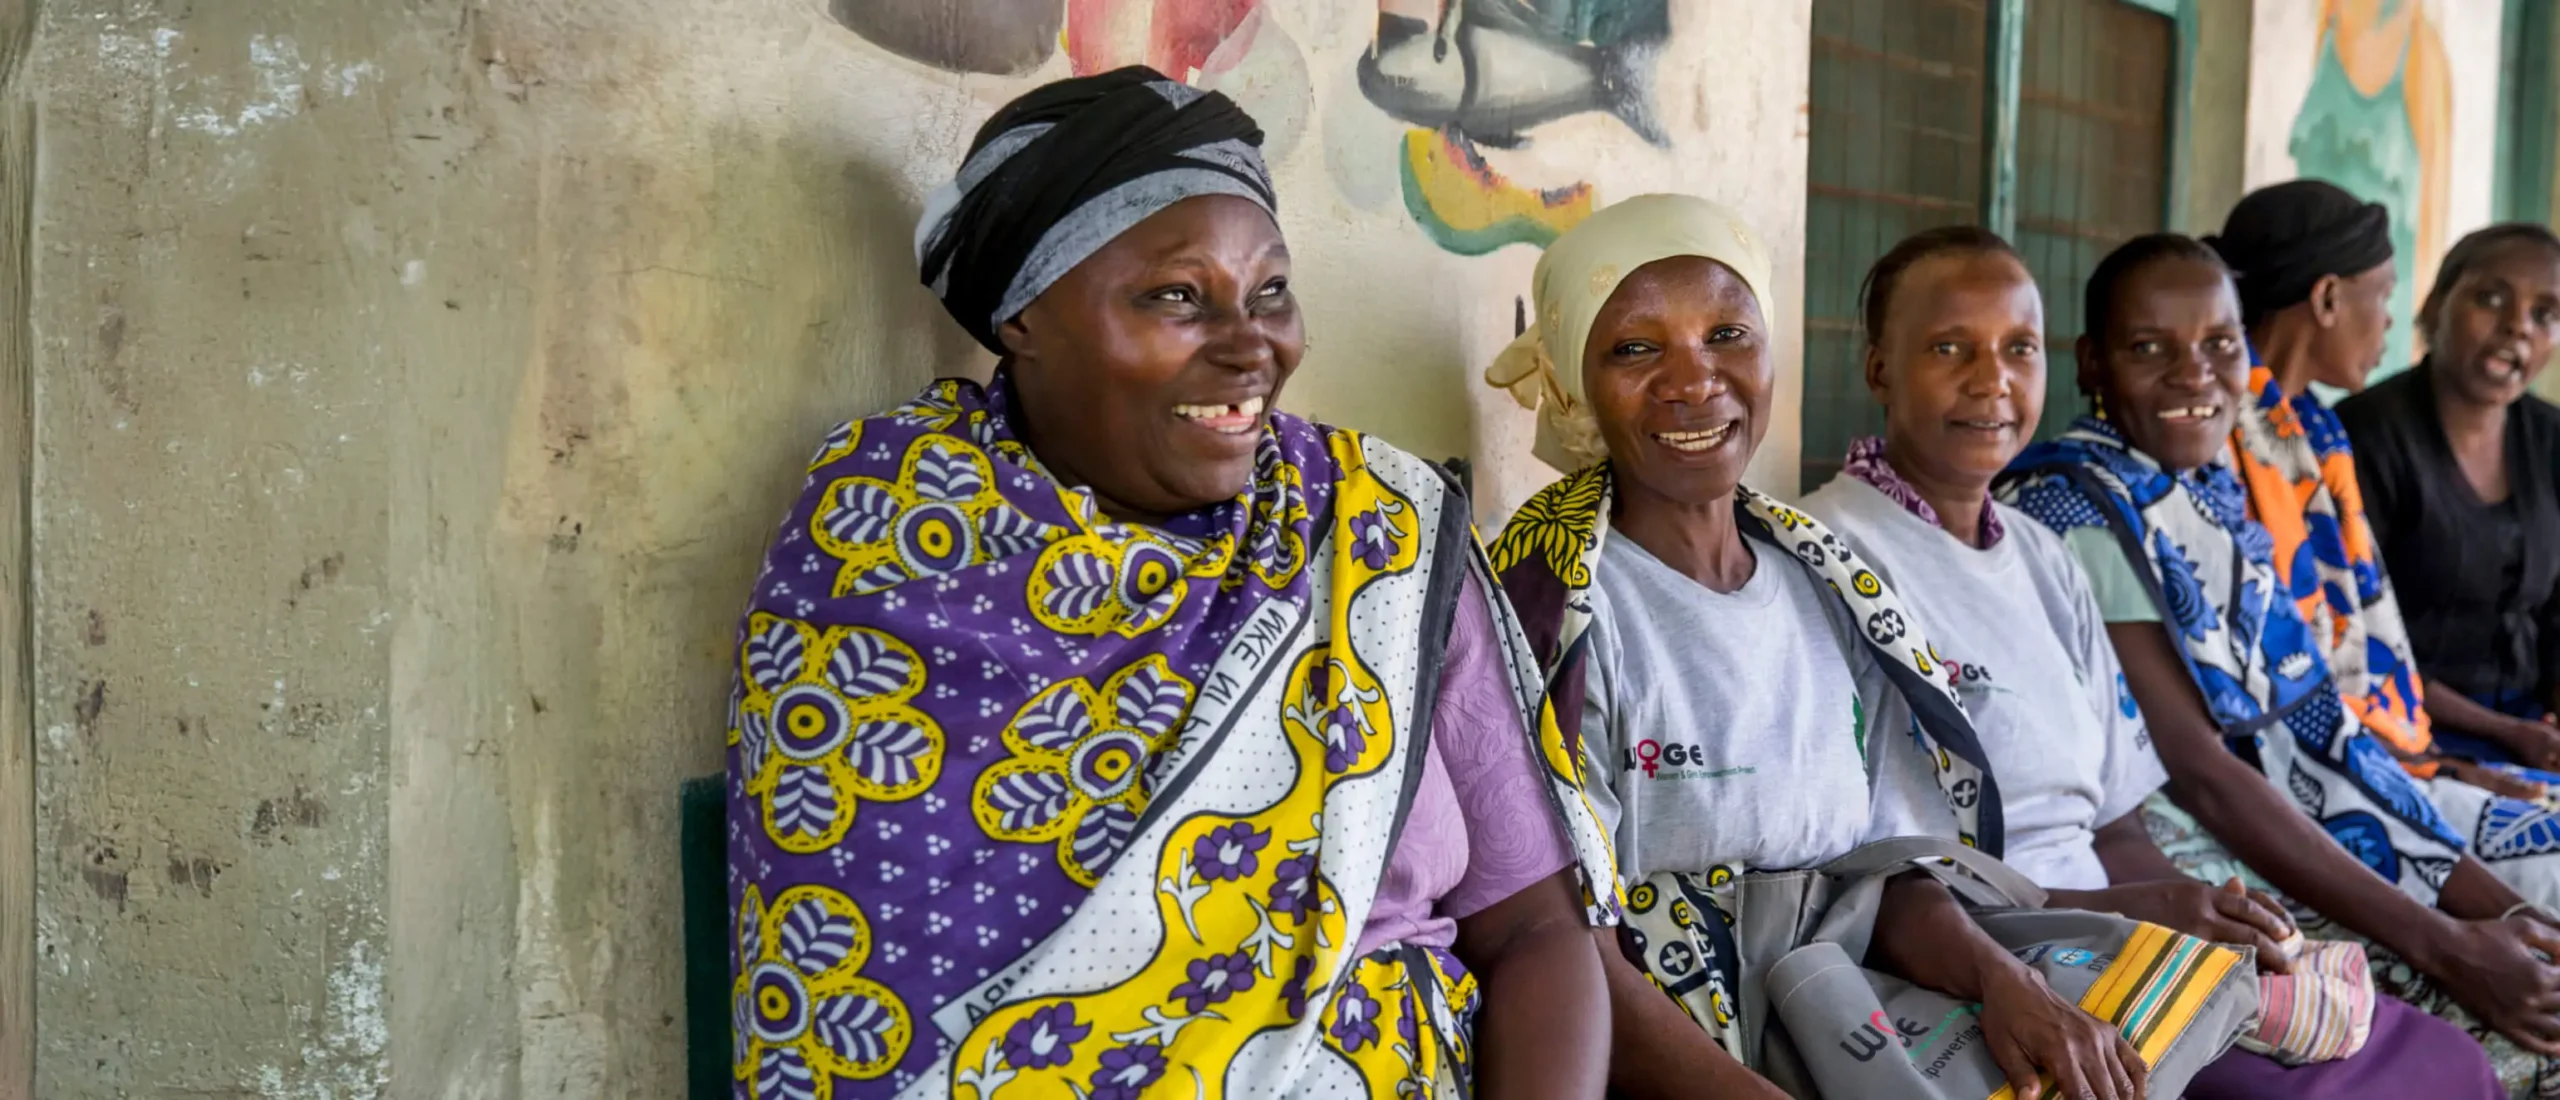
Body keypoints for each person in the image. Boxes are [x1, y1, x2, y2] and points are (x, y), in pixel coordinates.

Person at [722, 68, 1620, 1100]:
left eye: (1270, 290)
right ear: (1021, 318)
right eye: (1177, 297)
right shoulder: (893, 551)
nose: (1253, 348)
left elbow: (1540, 928)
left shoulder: (1373, 526)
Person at [1486, 194, 2184, 1100]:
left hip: (1840, 1027)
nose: (1694, 381)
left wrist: (2000, 981)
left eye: (1728, 335)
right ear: (1577, 382)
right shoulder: (1560, 609)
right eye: (1635, 348)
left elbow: (1875, 872)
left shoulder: (1831, 587)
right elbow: (1566, 953)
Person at [1806, 225, 2498, 1098]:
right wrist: (2126, 917)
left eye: (2018, 348)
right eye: (1950, 349)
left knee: (2438, 1056)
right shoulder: (1829, 555)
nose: (1993, 382)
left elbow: (2118, 821)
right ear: (1878, 370)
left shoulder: (2037, 554)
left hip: (2109, 941)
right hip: (1980, 963)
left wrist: (2210, 919)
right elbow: (1875, 875)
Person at [1998, 233, 2560, 1095]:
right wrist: (2445, 942)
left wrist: (2499, 913)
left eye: (2220, 346)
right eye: (2151, 348)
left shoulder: (2205, 494)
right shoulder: (2074, 507)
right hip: (2191, 855)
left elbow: (2322, 727)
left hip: (2303, 824)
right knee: (2509, 1052)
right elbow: (2204, 775)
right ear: (2093, 364)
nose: (2195, 375)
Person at [2209, 180, 2560, 808]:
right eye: (2385, 295)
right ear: (2327, 299)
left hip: (2409, 742)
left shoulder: (2312, 430)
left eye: (2546, 314)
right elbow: (2318, 658)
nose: (2518, 329)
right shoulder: (2272, 434)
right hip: (2366, 753)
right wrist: (2447, 765)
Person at [2340, 223, 2560, 775]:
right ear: (2437, 306)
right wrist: (2509, 734)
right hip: (2396, 735)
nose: (2517, 327)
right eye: (2491, 298)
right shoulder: (2362, 439)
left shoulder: (2550, 440)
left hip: (2529, 727)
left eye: (2546, 314)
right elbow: (2355, 643)